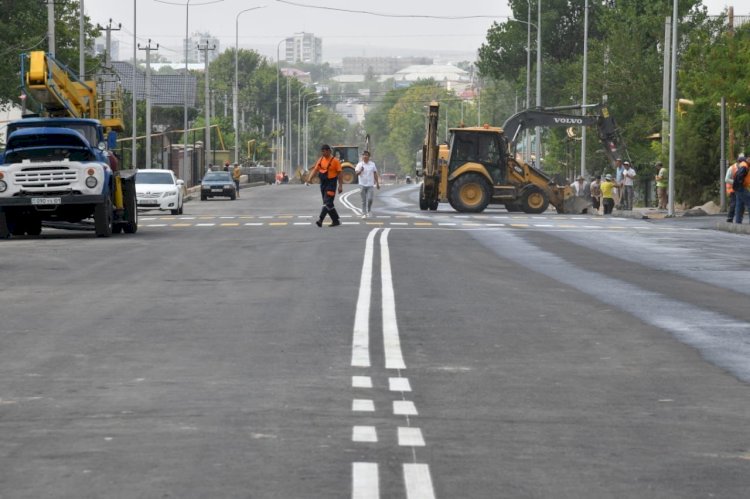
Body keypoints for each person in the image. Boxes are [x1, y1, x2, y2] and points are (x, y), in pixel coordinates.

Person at [306, 144, 342, 227]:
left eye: (325, 151)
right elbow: (315, 170)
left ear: (329, 151)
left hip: (331, 183)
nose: (323, 152)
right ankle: (335, 221)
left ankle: (320, 220)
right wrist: (309, 179)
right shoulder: (321, 160)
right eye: (322, 151)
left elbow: (340, 174)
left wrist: (340, 186)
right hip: (323, 184)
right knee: (328, 204)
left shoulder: (335, 161)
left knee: (327, 202)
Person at [355, 150, 380, 218]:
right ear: (362, 156)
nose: (365, 156)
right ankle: (364, 213)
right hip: (362, 184)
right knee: (363, 200)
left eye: (367, 155)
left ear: (369, 157)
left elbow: (375, 173)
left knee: (370, 199)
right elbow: (356, 174)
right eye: (364, 155)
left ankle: (369, 210)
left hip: (370, 185)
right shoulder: (360, 164)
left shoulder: (372, 164)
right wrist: (361, 170)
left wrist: (377, 183)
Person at [732, 155, 750, 224]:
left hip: (738, 187)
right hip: (740, 187)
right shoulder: (745, 166)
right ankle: (738, 222)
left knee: (740, 205)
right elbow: (739, 176)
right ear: (748, 159)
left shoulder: (745, 165)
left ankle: (738, 223)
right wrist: (741, 184)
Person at [724, 156, 742, 222]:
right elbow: (726, 179)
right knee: (734, 204)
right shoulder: (731, 168)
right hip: (732, 190)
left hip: (740, 189)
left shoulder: (743, 168)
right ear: (738, 162)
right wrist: (735, 182)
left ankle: (738, 219)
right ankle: (730, 218)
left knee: (740, 204)